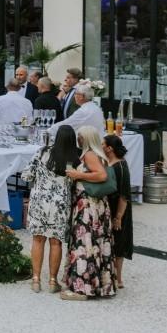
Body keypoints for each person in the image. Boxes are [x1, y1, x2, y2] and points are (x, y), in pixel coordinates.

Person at [61, 126, 116, 300]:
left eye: (80, 137)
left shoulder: (90, 155)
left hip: (88, 205)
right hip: (97, 205)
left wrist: (78, 174)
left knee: (83, 243)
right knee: (96, 243)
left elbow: (101, 176)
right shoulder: (100, 155)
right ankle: (99, 284)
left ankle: (82, 288)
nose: (78, 140)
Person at [22, 125, 77, 293]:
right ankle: (53, 281)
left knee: (38, 239)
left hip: (40, 200)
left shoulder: (42, 152)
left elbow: (26, 175)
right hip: (60, 203)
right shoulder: (74, 157)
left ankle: (36, 280)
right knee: (56, 242)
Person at [103, 133, 133, 289]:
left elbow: (124, 196)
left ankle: (118, 278)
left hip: (118, 210)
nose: (101, 146)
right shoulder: (111, 163)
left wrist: (118, 218)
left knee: (119, 243)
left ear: (109, 148)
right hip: (112, 207)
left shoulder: (120, 167)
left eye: (103, 144)